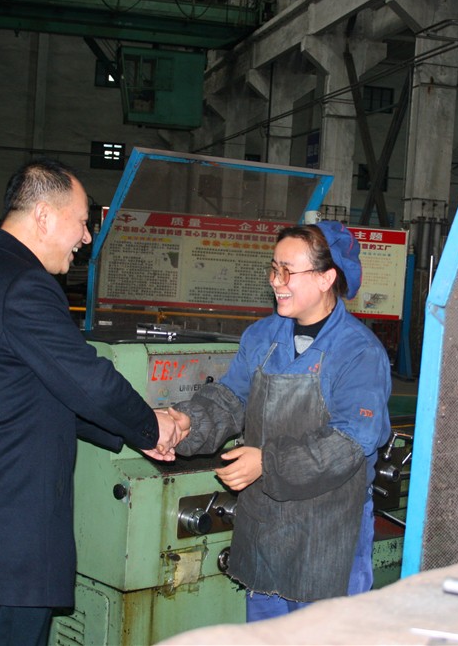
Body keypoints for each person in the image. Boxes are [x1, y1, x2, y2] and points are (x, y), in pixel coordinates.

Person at [0, 157, 187, 646]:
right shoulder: (24, 284)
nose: (87, 237)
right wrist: (151, 427)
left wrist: (128, 434)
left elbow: (34, 388)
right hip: (13, 537)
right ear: (44, 216)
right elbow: (88, 379)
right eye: (82, 222)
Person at [166, 221, 392, 621]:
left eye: (288, 271)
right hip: (265, 525)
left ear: (326, 278)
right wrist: (187, 422)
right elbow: (231, 398)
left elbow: (350, 443)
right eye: (274, 269)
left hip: (328, 530)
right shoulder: (262, 337)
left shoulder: (358, 352)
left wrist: (267, 463)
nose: (276, 281)